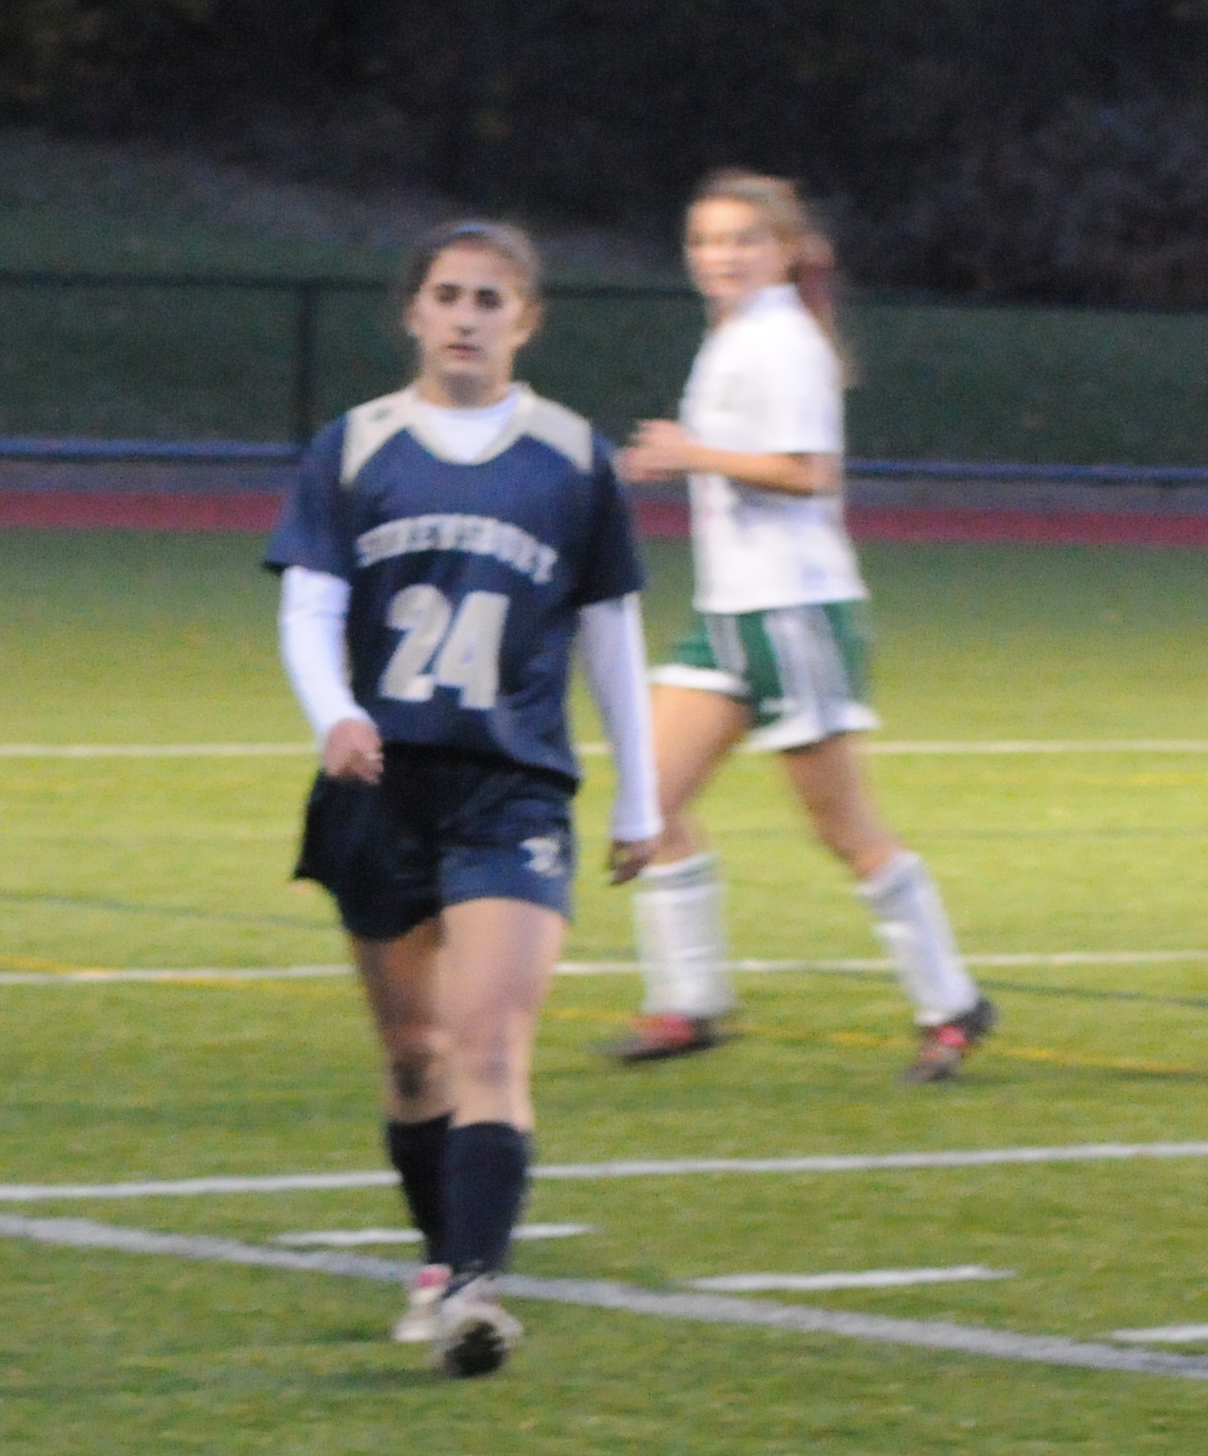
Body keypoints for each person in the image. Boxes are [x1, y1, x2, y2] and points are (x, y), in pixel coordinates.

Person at [272, 220, 663, 1379]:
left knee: (490, 1043)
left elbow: (610, 635)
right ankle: (441, 1258)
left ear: (524, 320)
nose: (465, 316)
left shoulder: (571, 457)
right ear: (413, 310)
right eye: (446, 294)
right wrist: (334, 712)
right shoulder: (355, 446)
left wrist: (639, 798)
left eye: (490, 299)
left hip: (512, 785)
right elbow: (307, 603)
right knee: (414, 1057)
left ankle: (476, 1287)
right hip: (379, 782)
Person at [610, 171, 996, 1085]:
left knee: (846, 831)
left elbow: (808, 473)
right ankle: (690, 1004)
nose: (721, 256)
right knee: (649, 804)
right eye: (706, 240)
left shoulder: (783, 342)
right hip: (729, 613)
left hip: (794, 613)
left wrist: (691, 454)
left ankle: (951, 1005)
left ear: (783, 251)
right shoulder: (738, 332)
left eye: (743, 239)